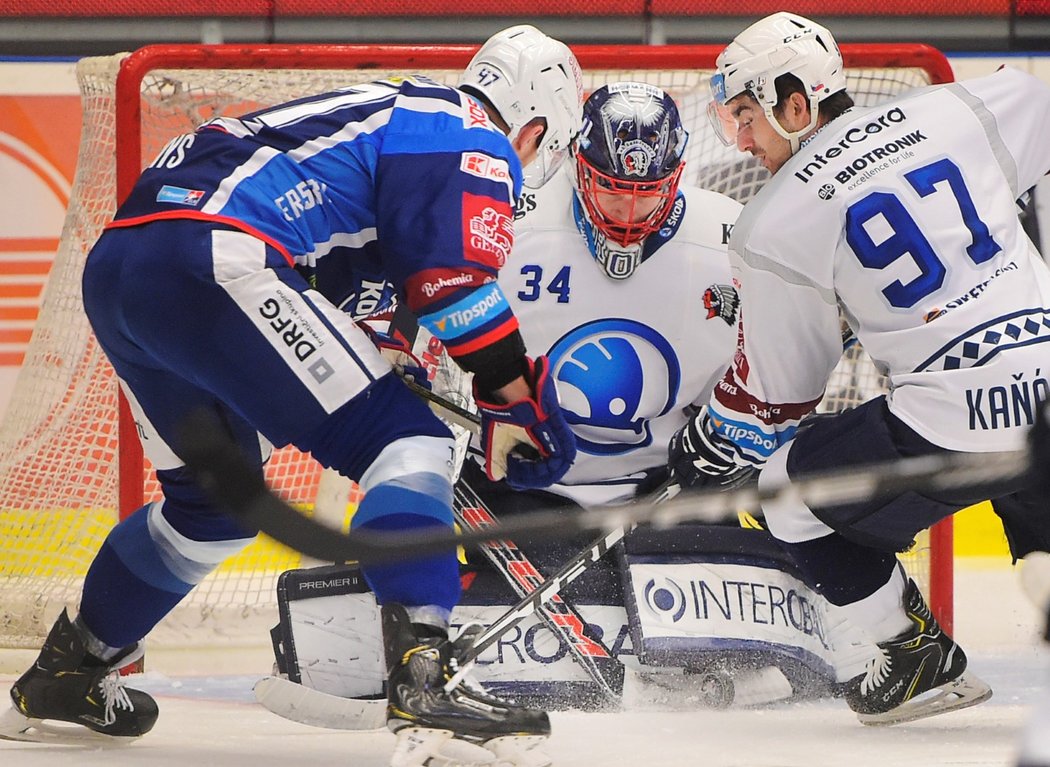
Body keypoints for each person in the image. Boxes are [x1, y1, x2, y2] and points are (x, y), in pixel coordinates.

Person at [2, 24, 582, 766]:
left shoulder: (387, 123)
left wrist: (399, 356)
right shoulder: (464, 130)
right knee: (409, 442)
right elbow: (451, 280)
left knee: (210, 510)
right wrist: (515, 397)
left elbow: (356, 291)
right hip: (213, 255)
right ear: (532, 129)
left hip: (128, 271)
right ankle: (425, 674)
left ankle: (68, 668)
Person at [667, 10, 1050, 725]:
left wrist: (713, 438)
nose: (743, 140)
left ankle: (909, 656)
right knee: (1033, 498)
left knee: (784, 488)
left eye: (747, 115)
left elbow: (781, 397)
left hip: (949, 429)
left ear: (795, 100)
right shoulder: (962, 106)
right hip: (1047, 399)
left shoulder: (774, 221)